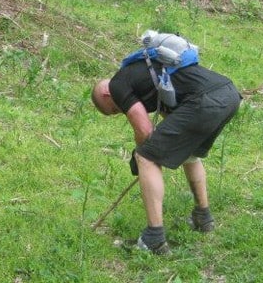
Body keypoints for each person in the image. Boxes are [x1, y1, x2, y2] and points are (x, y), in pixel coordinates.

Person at [91, 46, 241, 255]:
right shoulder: (145, 75)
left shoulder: (118, 84)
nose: (120, 111)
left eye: (115, 110)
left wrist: (140, 155)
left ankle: (154, 239)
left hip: (205, 100)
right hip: (228, 94)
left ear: (107, 94)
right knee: (189, 153)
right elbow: (171, 121)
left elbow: (144, 130)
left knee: (146, 157)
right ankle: (202, 218)